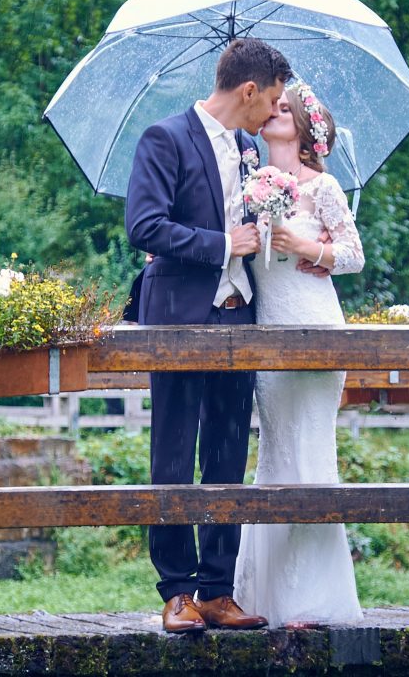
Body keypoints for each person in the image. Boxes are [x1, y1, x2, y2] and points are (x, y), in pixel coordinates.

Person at [125, 38, 292, 634]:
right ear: (248, 90)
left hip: (237, 314)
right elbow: (143, 225)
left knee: (227, 453)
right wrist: (224, 243)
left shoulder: (252, 148)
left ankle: (218, 590)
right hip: (176, 317)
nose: (274, 113)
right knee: (172, 453)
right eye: (270, 101)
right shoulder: (164, 138)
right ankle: (175, 593)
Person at [233, 81, 365, 628]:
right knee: (276, 453)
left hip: (314, 320)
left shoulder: (325, 187)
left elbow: (354, 255)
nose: (273, 113)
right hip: (267, 329)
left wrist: (307, 247)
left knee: (311, 452)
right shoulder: (247, 183)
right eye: (271, 107)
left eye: (285, 109)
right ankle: (264, 595)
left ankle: (312, 599)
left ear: (308, 128)